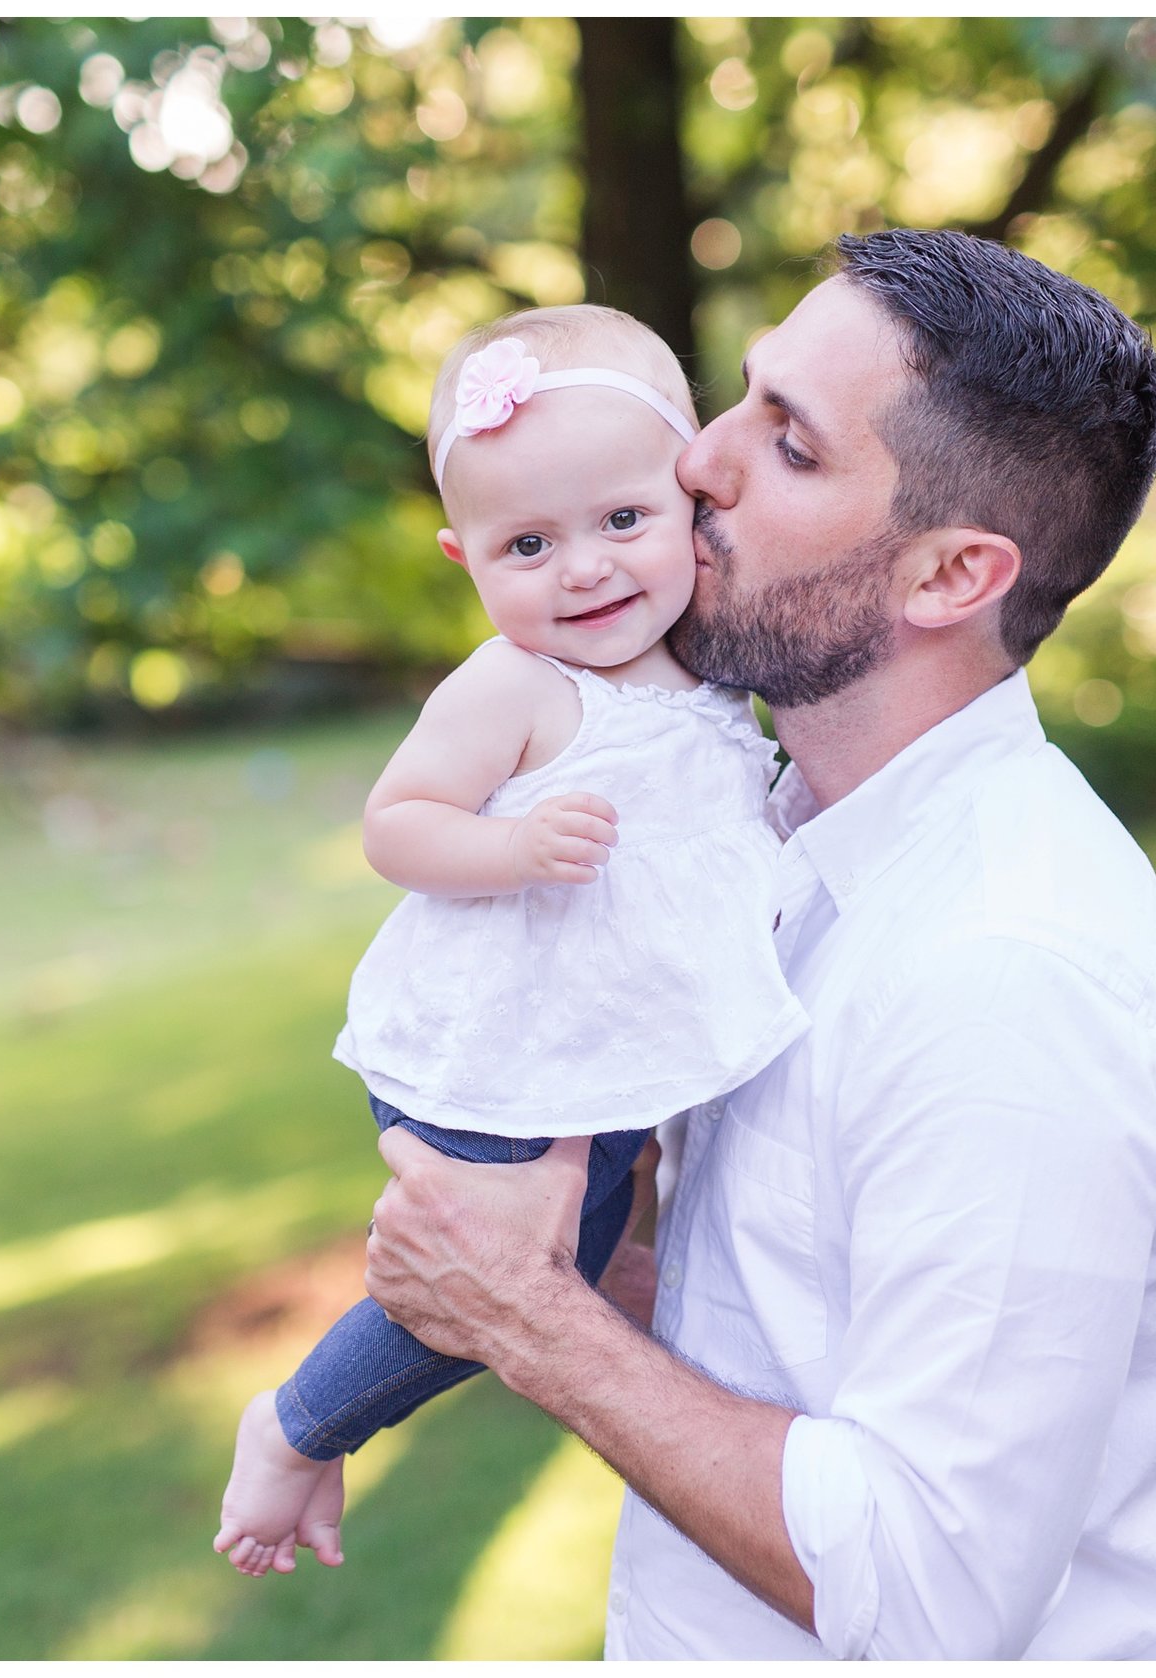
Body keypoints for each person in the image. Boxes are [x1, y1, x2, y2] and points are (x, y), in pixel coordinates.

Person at [363, 229, 1156, 1658]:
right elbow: (795, 1333)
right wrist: (550, 1254)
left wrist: (532, 1318)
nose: (697, 461)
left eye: (788, 443)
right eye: (741, 395)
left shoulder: (1008, 979)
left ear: (950, 575)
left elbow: (932, 1593)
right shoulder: (786, 838)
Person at [210, 306, 807, 1577]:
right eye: (528, 543)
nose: (583, 570)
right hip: (501, 1050)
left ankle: (322, 1421)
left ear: (690, 505)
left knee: (578, 1261)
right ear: (462, 557)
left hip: (585, 1055)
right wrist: (515, 850)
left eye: (621, 523)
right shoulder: (520, 686)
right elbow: (396, 824)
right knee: (516, 1268)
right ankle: (296, 1424)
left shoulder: (701, 670)